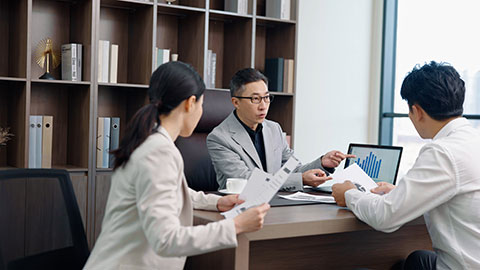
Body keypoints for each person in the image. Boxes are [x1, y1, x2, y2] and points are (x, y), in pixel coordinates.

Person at [84, 62, 270, 270]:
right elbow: (166, 239)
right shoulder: (158, 152)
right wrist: (236, 225)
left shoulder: (152, 142)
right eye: (201, 105)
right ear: (190, 103)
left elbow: (169, 191)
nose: (201, 112)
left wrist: (216, 202)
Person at [332, 62, 480, 269]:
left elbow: (385, 217)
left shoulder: (443, 152)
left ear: (417, 111)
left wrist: (349, 194)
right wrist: (403, 193)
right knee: (418, 260)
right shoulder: (473, 140)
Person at [207, 68, 354, 191]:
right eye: (255, 99)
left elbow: (292, 171)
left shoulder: (273, 128)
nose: (263, 106)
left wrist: (322, 163)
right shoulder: (220, 138)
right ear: (236, 102)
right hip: (241, 207)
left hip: (277, 203)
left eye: (266, 97)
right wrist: (301, 180)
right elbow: (246, 181)